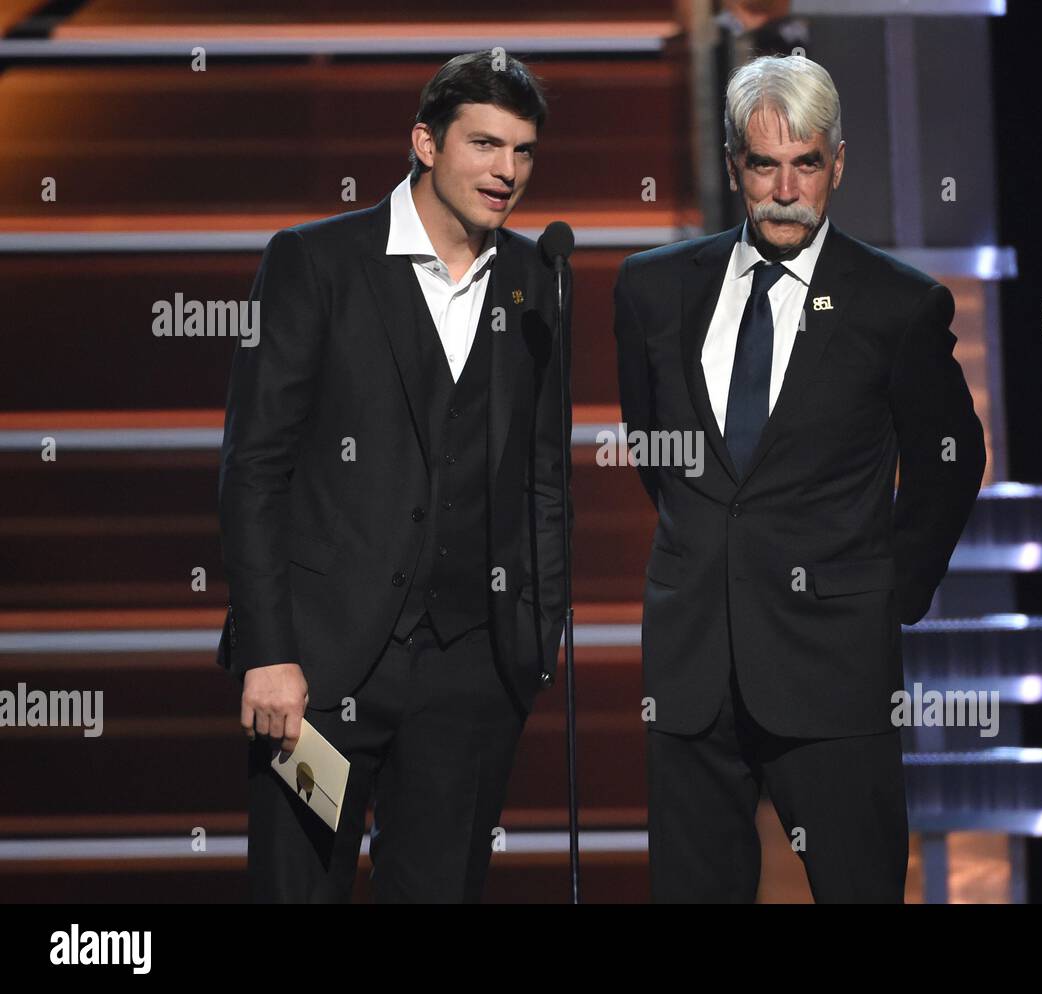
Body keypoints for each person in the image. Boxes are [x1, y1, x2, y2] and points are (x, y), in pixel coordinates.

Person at [612, 54, 986, 902]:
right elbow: (656, 451)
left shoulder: (897, 305)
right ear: (734, 163)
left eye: (806, 163)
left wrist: (888, 591)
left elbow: (950, 462)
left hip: (834, 664)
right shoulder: (653, 288)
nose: (786, 188)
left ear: (837, 165)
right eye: (764, 164)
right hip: (691, 661)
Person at [216, 50, 570, 903]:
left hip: (469, 678)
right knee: (300, 888)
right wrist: (271, 653)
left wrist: (532, 638)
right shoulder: (316, 262)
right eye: (485, 145)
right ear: (424, 142)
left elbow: (544, 478)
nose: (506, 171)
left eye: (522, 152)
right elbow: (253, 468)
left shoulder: (532, 280)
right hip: (319, 681)